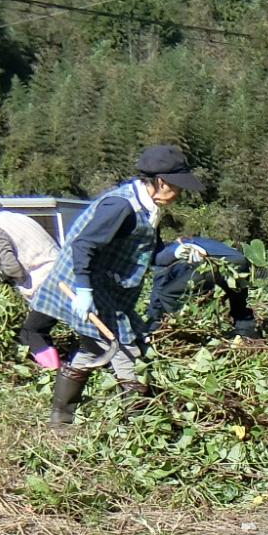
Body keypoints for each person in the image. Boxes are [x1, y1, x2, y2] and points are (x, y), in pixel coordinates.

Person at [31, 144, 202, 425]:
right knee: (126, 351)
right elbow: (83, 245)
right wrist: (84, 291)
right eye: (178, 187)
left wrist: (177, 252)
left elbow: (152, 254)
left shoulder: (150, 208)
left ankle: (60, 419)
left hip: (111, 292)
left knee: (94, 349)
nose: (180, 193)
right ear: (161, 182)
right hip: (85, 286)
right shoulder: (121, 206)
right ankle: (140, 427)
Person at [0, 182, 61, 369]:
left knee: (32, 332)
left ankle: (53, 372)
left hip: (49, 284)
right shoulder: (17, 218)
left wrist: (3, 280)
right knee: (85, 328)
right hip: (64, 274)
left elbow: (12, 268)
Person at [146, 236, 256, 337]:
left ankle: (177, 329)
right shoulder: (194, 241)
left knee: (167, 294)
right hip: (240, 261)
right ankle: (246, 331)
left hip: (216, 264)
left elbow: (159, 289)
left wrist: (152, 324)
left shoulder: (162, 257)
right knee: (236, 296)